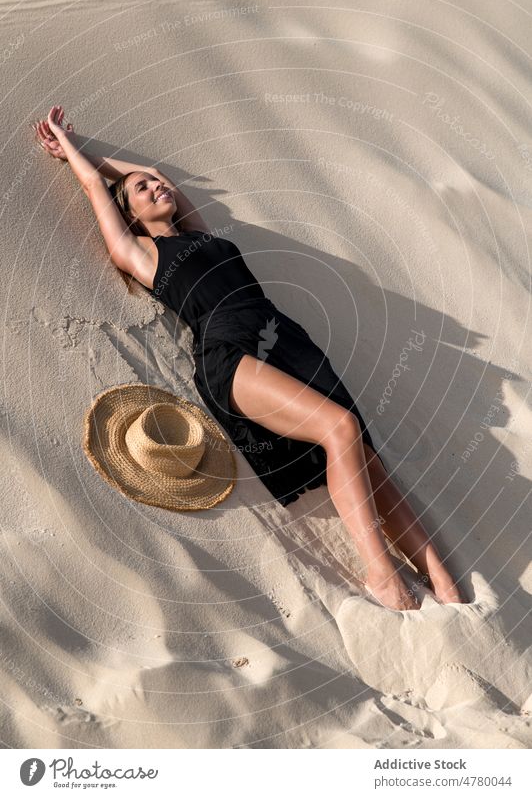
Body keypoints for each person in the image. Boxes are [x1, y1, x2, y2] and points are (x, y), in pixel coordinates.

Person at [31, 104, 465, 612]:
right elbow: (95, 192)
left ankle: (445, 584)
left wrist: (129, 171)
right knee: (340, 428)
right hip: (229, 353)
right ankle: (380, 575)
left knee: (368, 458)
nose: (155, 186)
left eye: (155, 182)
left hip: (283, 337)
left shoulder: (198, 233)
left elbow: (156, 179)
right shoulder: (144, 256)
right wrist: (73, 149)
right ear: (129, 216)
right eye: (142, 191)